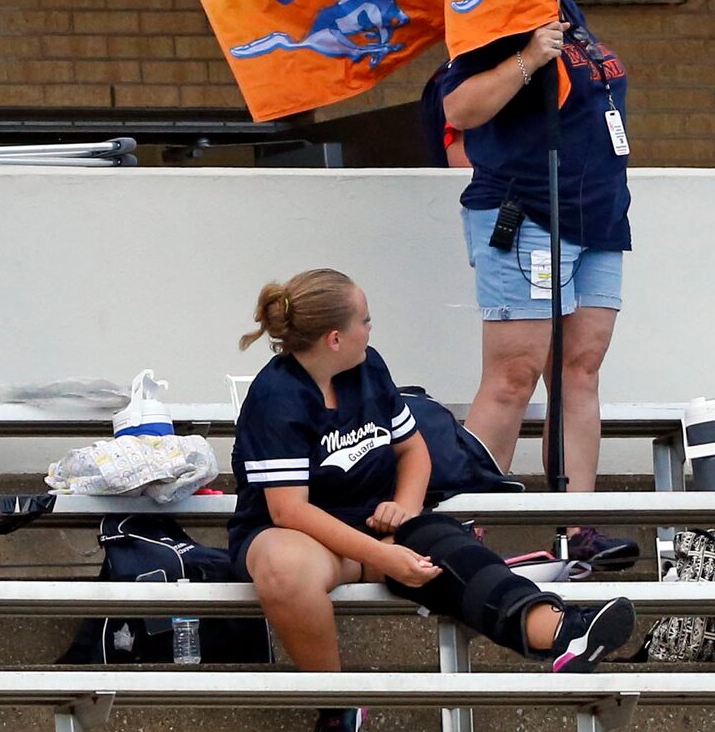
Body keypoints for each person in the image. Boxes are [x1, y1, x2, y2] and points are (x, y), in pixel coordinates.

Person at [231, 269, 634, 732]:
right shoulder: (276, 396)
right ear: (335, 338)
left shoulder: (367, 366)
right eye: (366, 319)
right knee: (285, 566)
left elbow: (413, 449)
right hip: (300, 538)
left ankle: (562, 632)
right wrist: (383, 555)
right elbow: (289, 511)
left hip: (378, 526)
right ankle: (337, 704)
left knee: (450, 551)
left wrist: (405, 505)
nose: (371, 328)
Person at [437, 0, 631, 564]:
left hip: (599, 220)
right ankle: (466, 527)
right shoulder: (507, 12)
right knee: (515, 373)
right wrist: (526, 60)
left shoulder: (570, 13)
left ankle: (576, 521)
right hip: (529, 217)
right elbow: (459, 108)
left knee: (580, 370)